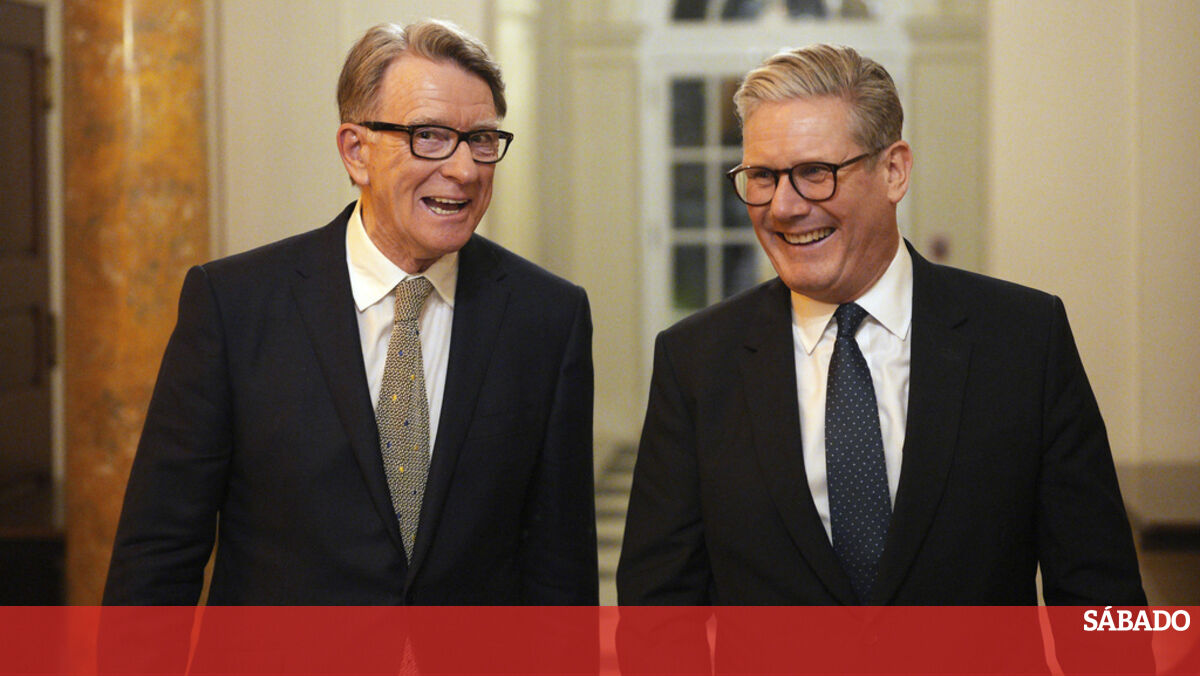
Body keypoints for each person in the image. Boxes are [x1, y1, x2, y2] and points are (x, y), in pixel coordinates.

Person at [618, 44, 1144, 607]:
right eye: (763, 176)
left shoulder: (1024, 340)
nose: (784, 207)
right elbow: (658, 611)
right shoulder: (696, 361)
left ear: (894, 171)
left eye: (815, 173)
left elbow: (1102, 598)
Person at [103, 20, 597, 605]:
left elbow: (560, 569)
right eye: (430, 136)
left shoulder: (548, 318)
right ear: (356, 151)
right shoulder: (234, 306)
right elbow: (159, 554)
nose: (465, 170)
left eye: (482, 139)